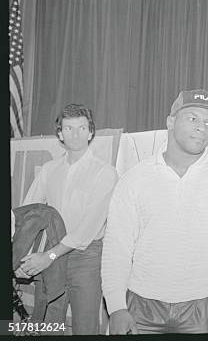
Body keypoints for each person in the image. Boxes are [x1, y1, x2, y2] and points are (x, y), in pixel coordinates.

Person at [101, 89, 208, 334]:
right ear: (170, 122)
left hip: (204, 306)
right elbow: (117, 247)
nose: (202, 127)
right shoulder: (135, 178)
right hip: (142, 304)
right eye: (193, 118)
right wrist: (116, 307)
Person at [18, 103, 118, 334]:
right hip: (50, 254)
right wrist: (22, 260)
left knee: (85, 328)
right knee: (50, 327)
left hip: (86, 257)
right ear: (60, 134)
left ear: (91, 132)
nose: (76, 134)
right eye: (69, 128)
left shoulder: (105, 172)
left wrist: (48, 256)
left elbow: (87, 229)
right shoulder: (49, 169)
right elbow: (27, 214)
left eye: (82, 128)